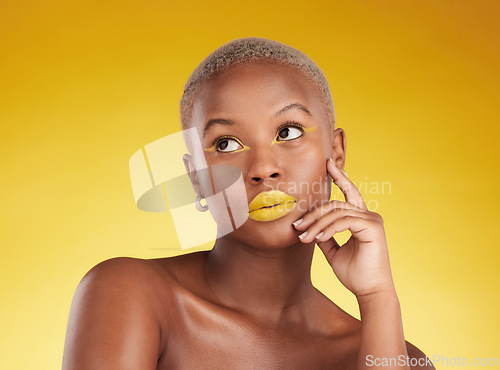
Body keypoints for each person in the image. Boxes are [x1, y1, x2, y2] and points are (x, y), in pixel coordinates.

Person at [63, 37, 434, 369]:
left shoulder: (399, 357)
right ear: (197, 178)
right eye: (226, 144)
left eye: (287, 132)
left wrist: (377, 297)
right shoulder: (131, 294)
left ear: (335, 153)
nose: (263, 169)